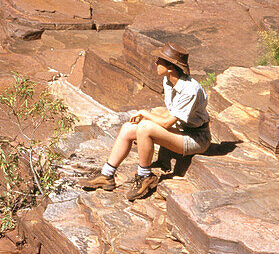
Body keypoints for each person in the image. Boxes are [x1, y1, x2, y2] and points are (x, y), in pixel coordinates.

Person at [79, 43, 212, 201]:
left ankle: (145, 177)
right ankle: (107, 175)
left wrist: (146, 114)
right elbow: (172, 112)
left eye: (159, 61)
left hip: (196, 138)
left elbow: (167, 123)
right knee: (128, 128)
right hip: (181, 130)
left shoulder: (190, 90)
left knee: (145, 128)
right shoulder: (168, 81)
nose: (155, 63)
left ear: (171, 67)